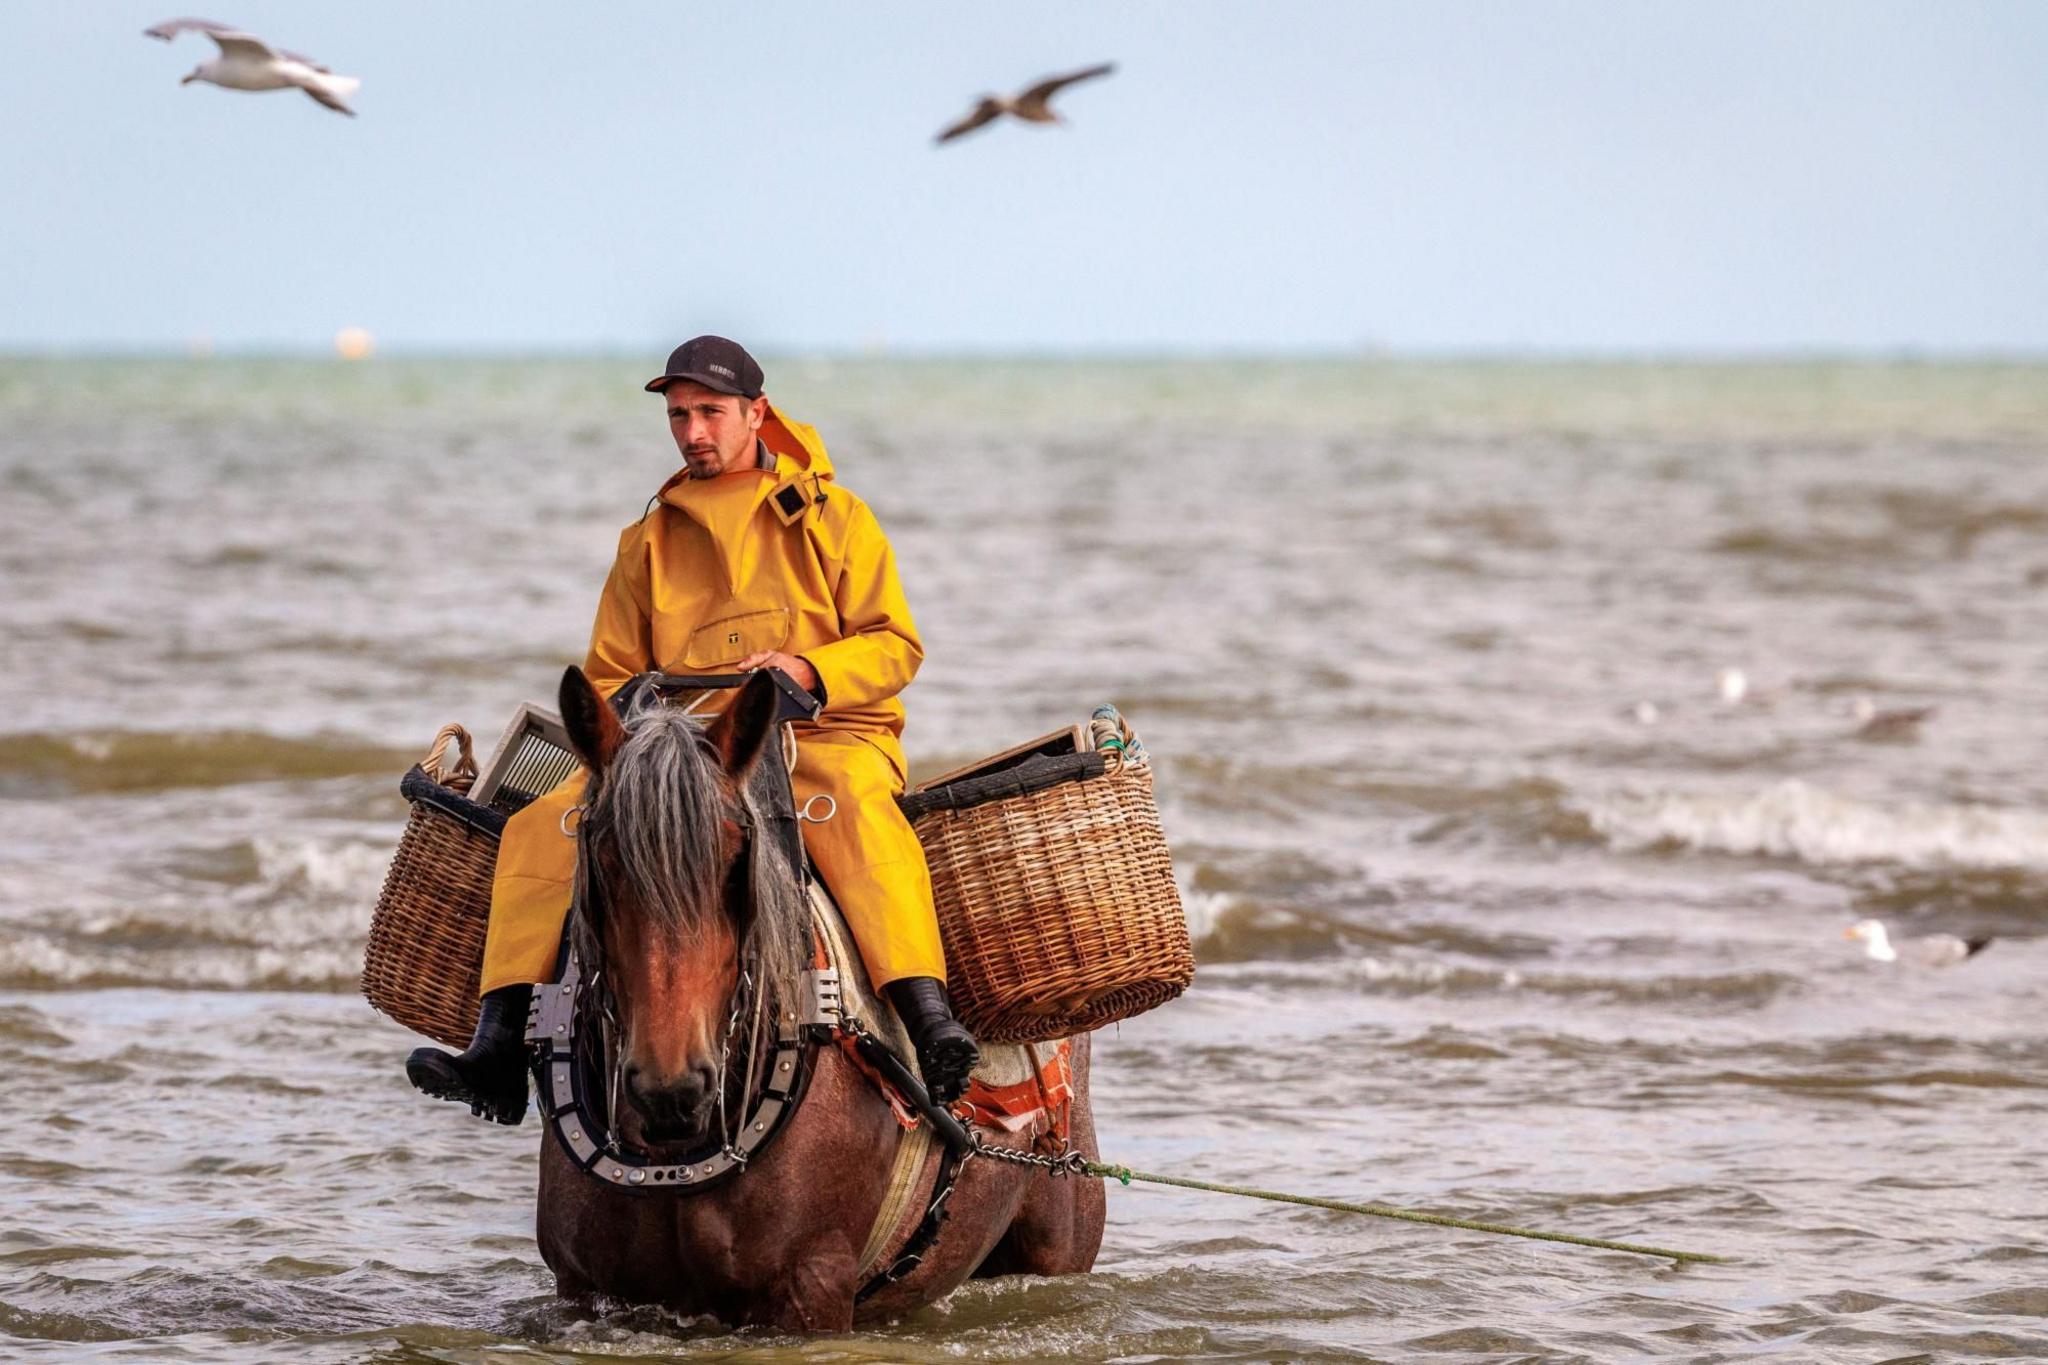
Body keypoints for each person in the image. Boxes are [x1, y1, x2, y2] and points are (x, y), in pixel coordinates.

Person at [405, 336, 977, 1124]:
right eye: (679, 415)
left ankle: (927, 1018)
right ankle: (497, 1045)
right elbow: (606, 676)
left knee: (848, 803)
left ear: (756, 413)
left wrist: (809, 672)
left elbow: (894, 643)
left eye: (711, 412)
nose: (693, 431)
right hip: (674, 763)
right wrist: (642, 710)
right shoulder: (646, 543)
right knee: (542, 823)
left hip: (821, 743)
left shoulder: (837, 519)